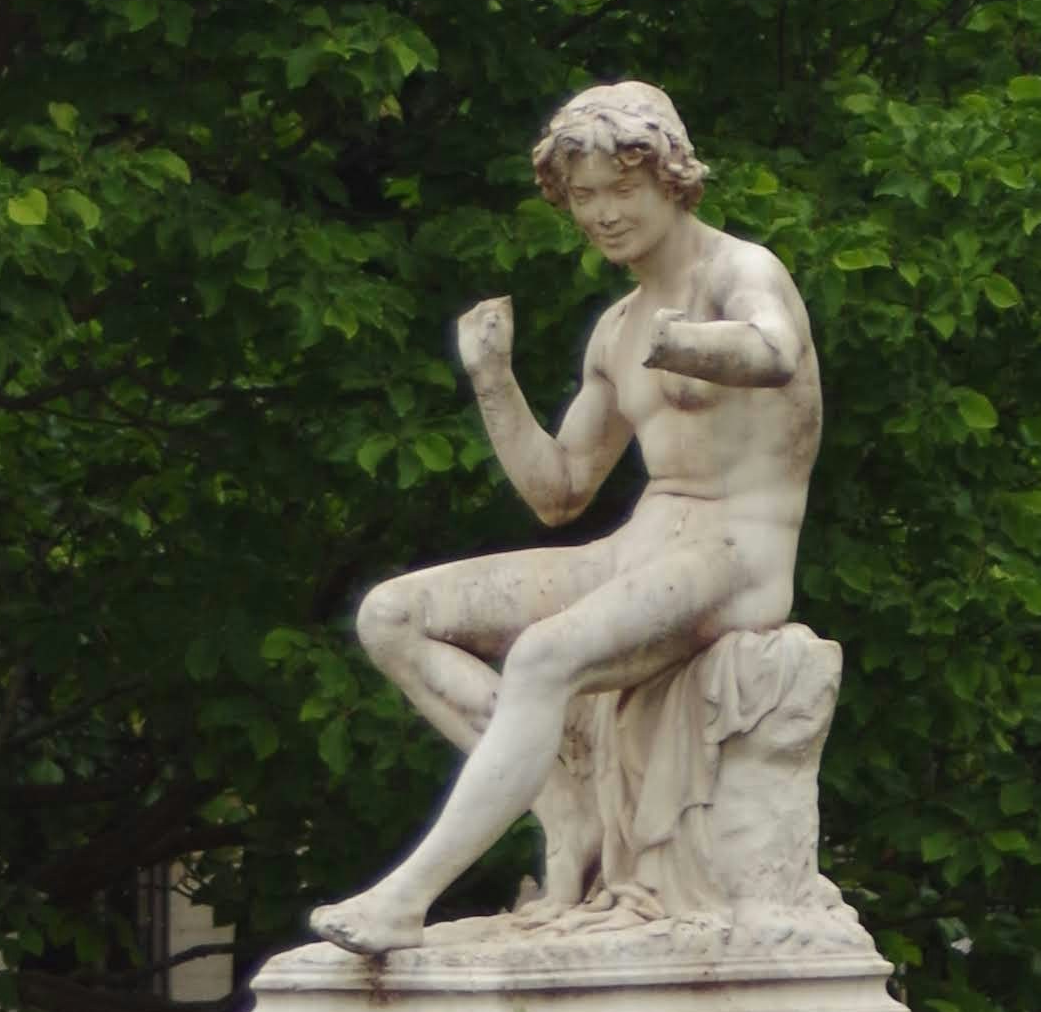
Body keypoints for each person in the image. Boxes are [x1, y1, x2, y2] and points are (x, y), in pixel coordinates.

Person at [308, 82, 820, 952]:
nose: (604, 215)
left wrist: (680, 340)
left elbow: (773, 350)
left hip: (736, 553)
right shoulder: (616, 328)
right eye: (585, 198)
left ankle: (405, 897)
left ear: (672, 180)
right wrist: (492, 380)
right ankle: (566, 803)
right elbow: (560, 490)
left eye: (623, 191)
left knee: (544, 655)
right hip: (640, 547)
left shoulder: (740, 270)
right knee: (391, 616)